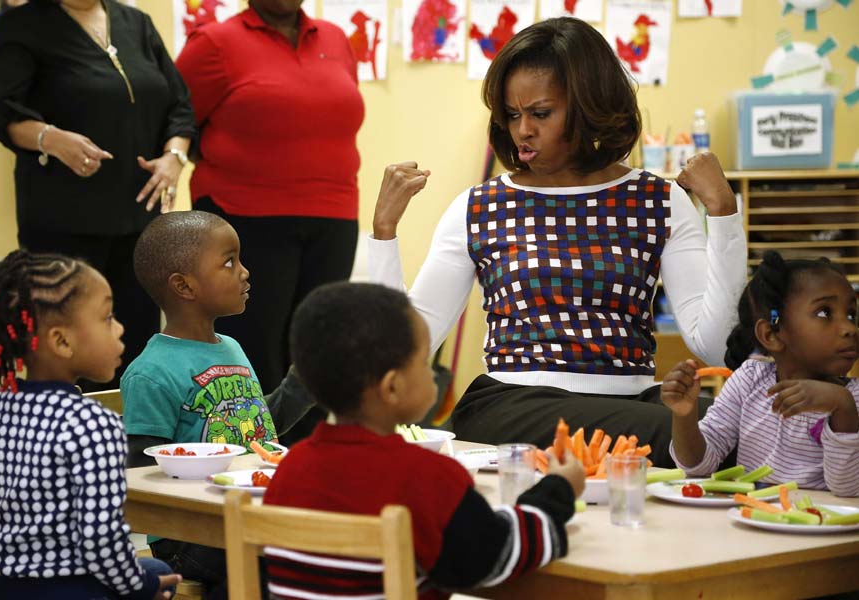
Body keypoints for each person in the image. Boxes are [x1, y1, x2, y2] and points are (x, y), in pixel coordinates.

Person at [368, 17, 747, 468]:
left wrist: (723, 214)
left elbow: (718, 347)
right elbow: (408, 344)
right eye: (512, 115)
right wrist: (384, 234)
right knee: (703, 433)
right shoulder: (478, 205)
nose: (522, 130)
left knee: (749, 424)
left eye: (540, 113)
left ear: (589, 107)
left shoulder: (658, 199)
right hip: (512, 407)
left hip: (635, 401)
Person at [263, 282, 585, 599]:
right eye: (422, 361)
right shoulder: (428, 477)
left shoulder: (290, 471)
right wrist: (557, 492)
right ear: (392, 388)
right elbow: (492, 555)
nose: (432, 372)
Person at [0, 0, 197, 389]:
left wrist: (174, 157)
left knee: (137, 354)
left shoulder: (137, 23)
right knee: (72, 352)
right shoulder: (23, 25)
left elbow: (180, 106)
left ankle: (137, 446)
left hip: (139, 223)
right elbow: (2, 114)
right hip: (64, 228)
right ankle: (76, 444)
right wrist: (51, 138)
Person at [0, 250, 181, 599]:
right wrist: (142, 587)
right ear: (62, 341)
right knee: (157, 573)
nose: (120, 328)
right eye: (107, 318)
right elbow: (102, 540)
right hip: (74, 590)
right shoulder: (93, 424)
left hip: (4, 587)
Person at [175, 0, 364, 391]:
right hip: (244, 219)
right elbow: (178, 123)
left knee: (317, 345)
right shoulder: (214, 42)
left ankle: (308, 449)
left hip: (334, 216)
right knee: (255, 350)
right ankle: (249, 447)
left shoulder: (334, 38)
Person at [122, 210, 278, 599]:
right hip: (188, 534)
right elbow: (140, 472)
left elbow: (258, 431)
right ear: (184, 286)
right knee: (274, 559)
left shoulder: (232, 348)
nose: (244, 272)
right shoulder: (151, 372)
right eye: (229, 262)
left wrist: (307, 384)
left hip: (245, 513)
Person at [662, 251, 859, 497]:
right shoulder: (750, 379)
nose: (849, 328)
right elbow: (698, 465)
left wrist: (844, 408)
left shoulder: (853, 399)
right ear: (771, 335)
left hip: (823, 530)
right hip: (751, 521)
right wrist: (683, 415)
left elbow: (849, 490)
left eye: (851, 314)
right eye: (824, 313)